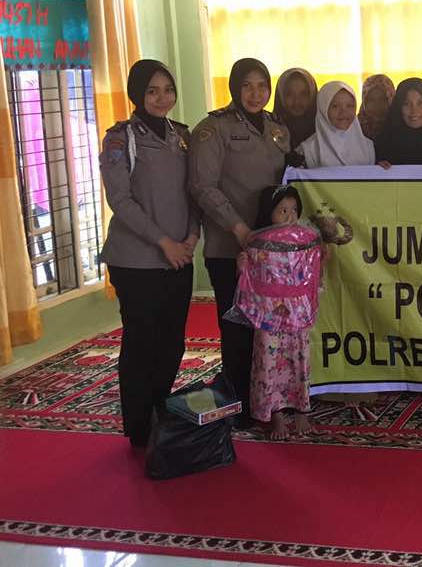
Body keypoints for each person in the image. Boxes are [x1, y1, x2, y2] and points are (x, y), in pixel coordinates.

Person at [100, 60, 199, 447]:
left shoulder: (183, 136)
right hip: (136, 261)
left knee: (173, 341)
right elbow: (120, 200)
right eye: (152, 91)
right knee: (142, 342)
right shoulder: (119, 139)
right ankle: (139, 428)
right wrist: (164, 242)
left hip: (180, 257)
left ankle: (161, 408)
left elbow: (194, 190)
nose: (162, 98)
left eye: (168, 90)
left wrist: (192, 236)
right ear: (137, 94)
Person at [189, 58, 290, 423]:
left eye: (262, 85)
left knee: (268, 330)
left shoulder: (277, 128)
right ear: (234, 87)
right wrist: (237, 227)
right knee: (237, 329)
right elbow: (202, 186)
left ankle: (268, 398)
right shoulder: (213, 129)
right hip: (230, 248)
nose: (255, 93)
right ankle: (241, 404)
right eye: (247, 85)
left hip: (271, 250)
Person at [241, 185, 322, 441]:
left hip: (297, 313)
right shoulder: (257, 243)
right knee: (269, 363)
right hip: (269, 316)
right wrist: (241, 267)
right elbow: (249, 279)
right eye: (282, 210)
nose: (289, 215)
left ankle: (301, 410)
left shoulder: (305, 241)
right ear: (269, 213)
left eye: (294, 210)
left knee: (300, 359)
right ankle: (274, 414)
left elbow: (314, 272)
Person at [299, 81, 376, 167]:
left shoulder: (367, 146)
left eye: (349, 106)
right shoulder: (308, 149)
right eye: (335, 106)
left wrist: (381, 169)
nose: (343, 112)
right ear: (323, 109)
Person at [272, 67, 318, 168]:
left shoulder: (324, 133)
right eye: (289, 94)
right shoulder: (269, 132)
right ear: (280, 96)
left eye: (304, 94)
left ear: (313, 95)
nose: (297, 101)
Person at [357, 74, 395, 141]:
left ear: (391, 99)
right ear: (364, 102)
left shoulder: (401, 129)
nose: (377, 105)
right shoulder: (355, 129)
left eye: (383, 99)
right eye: (371, 100)